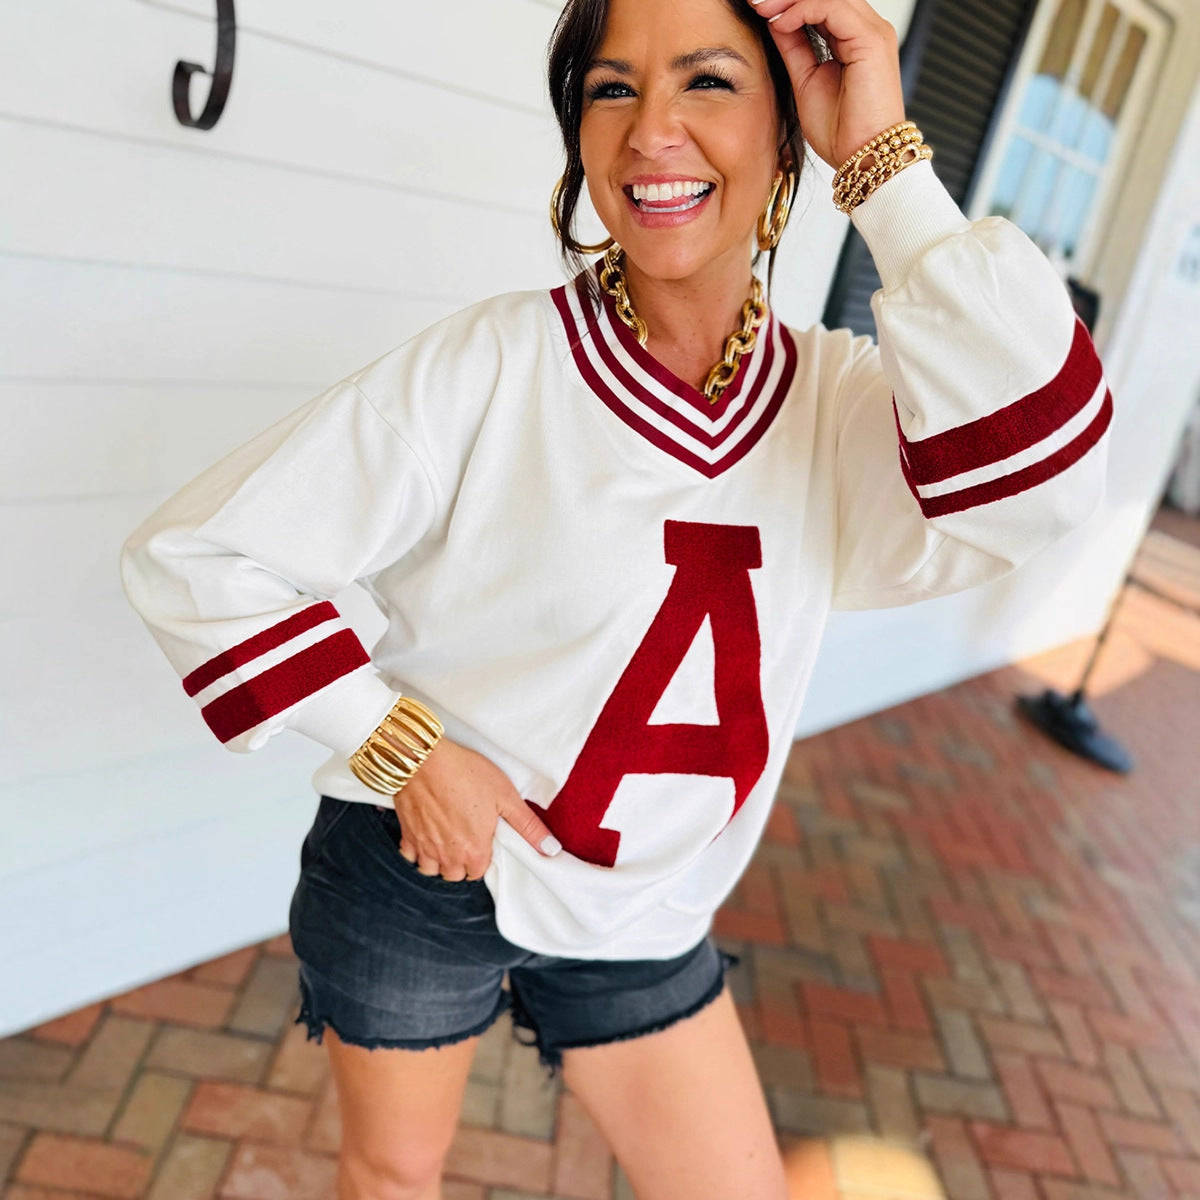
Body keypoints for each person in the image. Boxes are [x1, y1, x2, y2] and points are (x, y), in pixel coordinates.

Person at [119, 0, 1112, 1195]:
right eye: (611, 89)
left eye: (708, 82)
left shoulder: (838, 410)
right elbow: (198, 558)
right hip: (427, 872)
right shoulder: (496, 363)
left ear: (788, 131)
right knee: (392, 1177)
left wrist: (881, 164)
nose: (650, 131)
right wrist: (401, 746)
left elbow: (1048, 477)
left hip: (648, 914)